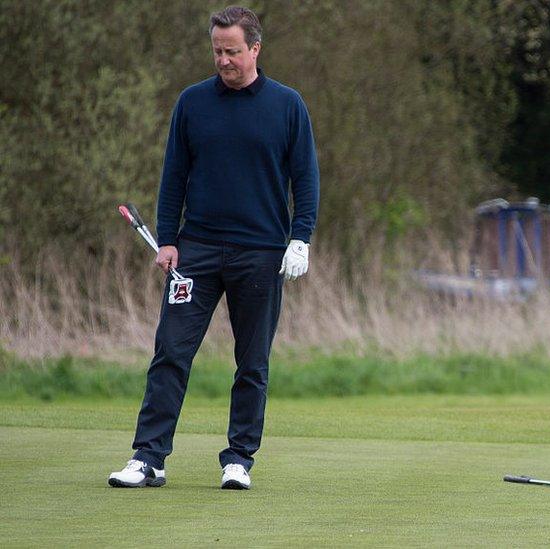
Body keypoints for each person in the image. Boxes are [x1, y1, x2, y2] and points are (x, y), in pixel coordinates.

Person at [109, 5, 319, 490]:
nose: (223, 60)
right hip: (196, 252)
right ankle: (149, 457)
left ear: (255, 49)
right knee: (170, 353)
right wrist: (167, 240)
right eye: (217, 51)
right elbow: (174, 176)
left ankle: (239, 458)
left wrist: (300, 238)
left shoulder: (288, 106)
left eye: (232, 51)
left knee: (252, 362)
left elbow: (305, 180)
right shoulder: (193, 102)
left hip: (261, 254)